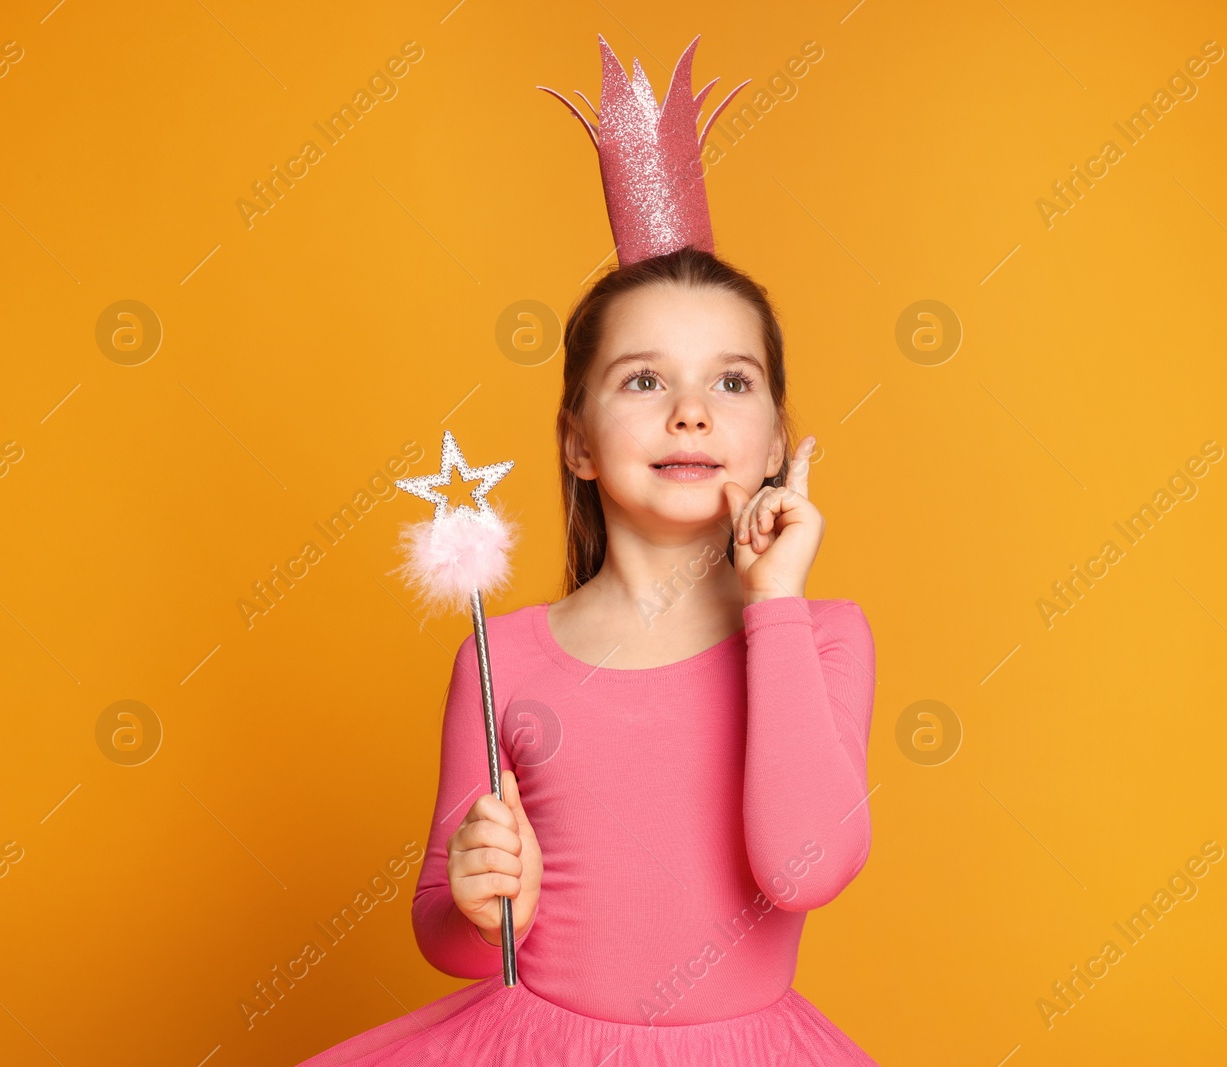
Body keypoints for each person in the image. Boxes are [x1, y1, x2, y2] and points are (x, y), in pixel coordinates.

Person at [295, 34, 880, 1067]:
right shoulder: (503, 654)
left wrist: (776, 602)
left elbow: (803, 866)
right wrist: (474, 901)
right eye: (645, 381)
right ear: (576, 439)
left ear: (778, 439)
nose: (692, 412)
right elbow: (447, 929)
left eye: (732, 382)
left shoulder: (821, 637)